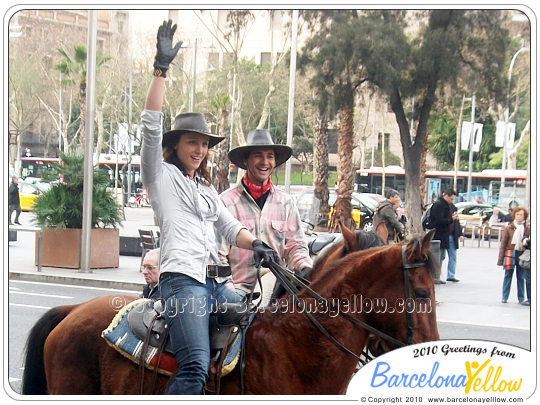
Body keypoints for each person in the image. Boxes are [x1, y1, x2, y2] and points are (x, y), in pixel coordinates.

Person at [140, 20, 279, 395]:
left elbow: (231, 226)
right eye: (192, 142)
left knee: (259, 325)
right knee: (195, 367)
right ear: (176, 145)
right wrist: (161, 69)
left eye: (204, 144)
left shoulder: (204, 188)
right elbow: (151, 127)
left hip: (215, 284)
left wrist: (259, 245)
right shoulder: (160, 176)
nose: (200, 150)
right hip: (181, 284)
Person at [219, 129, 313, 305]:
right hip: (238, 292)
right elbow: (218, 255)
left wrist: (306, 269)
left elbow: (296, 247)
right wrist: (229, 289)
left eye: (270, 156)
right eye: (258, 155)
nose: (265, 162)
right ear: (246, 160)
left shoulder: (286, 203)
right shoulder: (225, 202)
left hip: (277, 289)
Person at [497, 206, 530, 305]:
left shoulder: (527, 229)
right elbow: (503, 244)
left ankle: (521, 297)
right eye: (518, 215)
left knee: (521, 277)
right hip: (510, 254)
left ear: (525, 216)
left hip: (522, 255)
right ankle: (504, 296)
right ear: (514, 215)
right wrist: (500, 259)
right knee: (508, 276)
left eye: (521, 215)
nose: (519, 217)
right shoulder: (509, 228)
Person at [431, 189, 464, 283]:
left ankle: (451, 275)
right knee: (440, 256)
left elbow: (456, 222)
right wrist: (450, 219)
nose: (452, 201)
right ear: (446, 196)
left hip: (452, 235)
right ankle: (436, 276)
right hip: (441, 235)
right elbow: (438, 221)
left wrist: (460, 233)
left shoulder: (452, 207)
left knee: (453, 256)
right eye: (451, 199)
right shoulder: (438, 205)